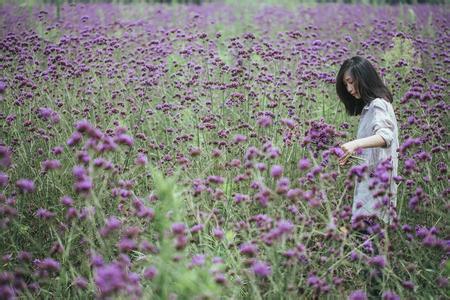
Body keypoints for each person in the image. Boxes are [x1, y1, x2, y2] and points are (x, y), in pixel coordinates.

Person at [335, 56, 399, 230]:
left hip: (377, 194)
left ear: (363, 78)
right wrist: (352, 155)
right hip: (370, 190)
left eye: (350, 82)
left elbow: (385, 137)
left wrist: (355, 144)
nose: (348, 89)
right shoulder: (369, 108)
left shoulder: (379, 104)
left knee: (368, 247)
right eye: (345, 84)